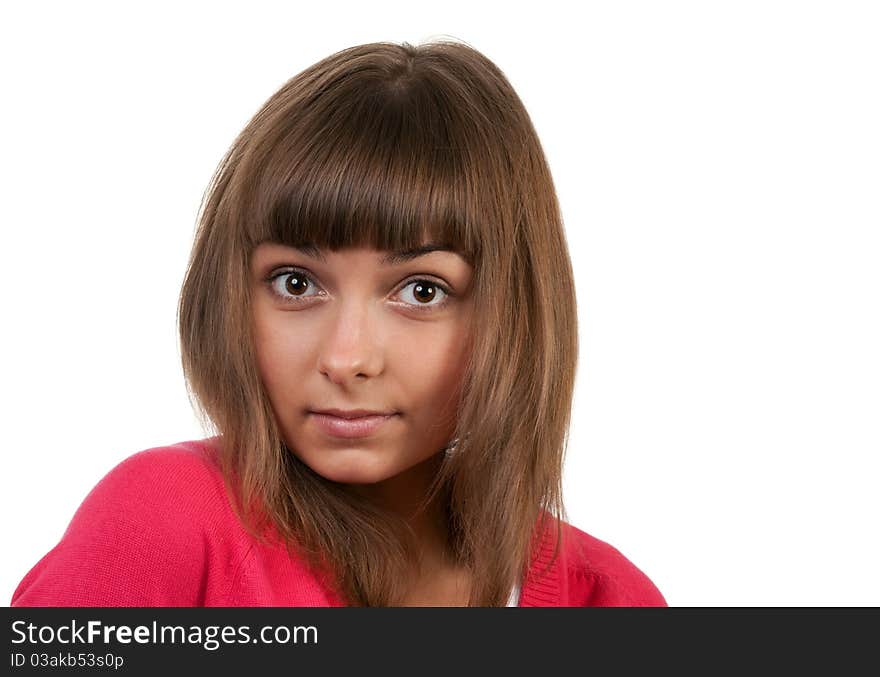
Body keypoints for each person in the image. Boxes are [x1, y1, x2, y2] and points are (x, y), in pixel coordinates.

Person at [11, 39, 666, 607]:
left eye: (421, 289)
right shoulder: (164, 522)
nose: (346, 357)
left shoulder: (611, 598)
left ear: (512, 313)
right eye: (296, 283)